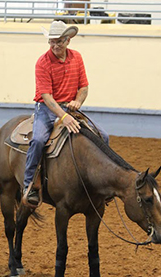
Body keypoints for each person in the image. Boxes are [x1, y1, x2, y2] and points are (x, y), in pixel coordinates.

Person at [23, 21, 109, 206]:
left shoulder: (77, 57)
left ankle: (101, 182)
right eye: (51, 42)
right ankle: (29, 184)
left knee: (103, 136)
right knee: (38, 140)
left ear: (68, 40)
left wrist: (78, 101)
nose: (55, 46)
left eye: (59, 41)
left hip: (70, 108)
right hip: (47, 109)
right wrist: (63, 116)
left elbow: (84, 87)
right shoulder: (43, 63)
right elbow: (46, 97)